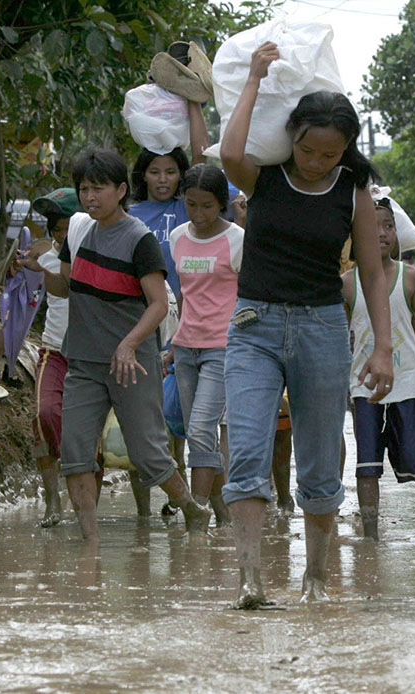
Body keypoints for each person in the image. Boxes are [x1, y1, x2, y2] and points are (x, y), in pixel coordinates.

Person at [219, 41, 394, 607]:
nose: (317, 161)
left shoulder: (353, 192)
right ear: (290, 137)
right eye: (307, 149)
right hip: (253, 325)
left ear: (347, 151)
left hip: (322, 329)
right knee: (246, 449)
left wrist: (383, 348)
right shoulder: (262, 179)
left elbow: (371, 272)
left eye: (330, 153)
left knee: (320, 458)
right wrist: (253, 78)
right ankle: (249, 577)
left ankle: (316, 578)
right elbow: (229, 150)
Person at [20, 148, 211, 542]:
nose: (90, 197)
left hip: (132, 362)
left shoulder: (139, 240)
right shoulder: (80, 233)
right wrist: (44, 270)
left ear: (121, 189)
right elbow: (66, 287)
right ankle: (89, 543)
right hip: (84, 360)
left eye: (98, 189)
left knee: (148, 454)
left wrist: (128, 344)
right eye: (84, 189)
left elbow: (159, 305)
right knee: (74, 452)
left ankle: (193, 509)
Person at [343, 198, 415, 540]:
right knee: (366, 464)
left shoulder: (411, 277)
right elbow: (339, 336)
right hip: (363, 385)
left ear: (397, 233)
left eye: (388, 226)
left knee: (413, 456)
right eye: (372, 226)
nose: (381, 233)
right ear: (355, 233)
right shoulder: (347, 283)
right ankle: (370, 536)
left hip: (407, 382)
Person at [127, 101, 209, 516]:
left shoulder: (189, 208)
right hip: (144, 323)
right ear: (141, 175)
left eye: (171, 171)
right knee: (148, 417)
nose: (163, 179)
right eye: (155, 171)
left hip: (193, 324)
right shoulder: (130, 214)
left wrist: (192, 102)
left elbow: (202, 159)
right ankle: (151, 509)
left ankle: (189, 498)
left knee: (185, 414)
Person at [0, 188, 78, 527]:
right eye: (56, 229)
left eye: (67, 227)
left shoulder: (101, 254)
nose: (61, 236)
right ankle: (52, 499)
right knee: (43, 416)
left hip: (92, 356)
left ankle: (84, 503)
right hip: (54, 351)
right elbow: (18, 313)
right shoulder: (42, 258)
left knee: (89, 433)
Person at [163, 164, 243, 528]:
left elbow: (251, 295)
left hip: (222, 347)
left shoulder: (237, 240)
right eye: (191, 204)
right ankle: (223, 513)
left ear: (222, 204)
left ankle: (196, 515)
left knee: (200, 429)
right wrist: (172, 343)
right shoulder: (178, 237)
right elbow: (183, 293)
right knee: (195, 430)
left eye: (207, 206)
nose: (198, 214)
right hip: (185, 347)